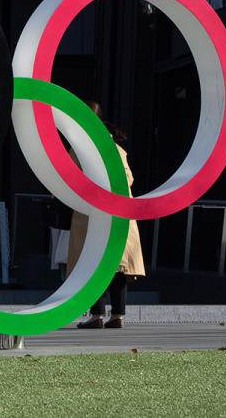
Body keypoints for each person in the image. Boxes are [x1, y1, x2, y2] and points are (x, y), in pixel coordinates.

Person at [67, 101, 145, 329]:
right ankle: (117, 316)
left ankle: (97, 315)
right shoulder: (117, 149)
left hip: (93, 214)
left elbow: (70, 179)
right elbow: (128, 180)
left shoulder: (80, 149)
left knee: (93, 264)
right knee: (117, 266)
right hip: (119, 212)